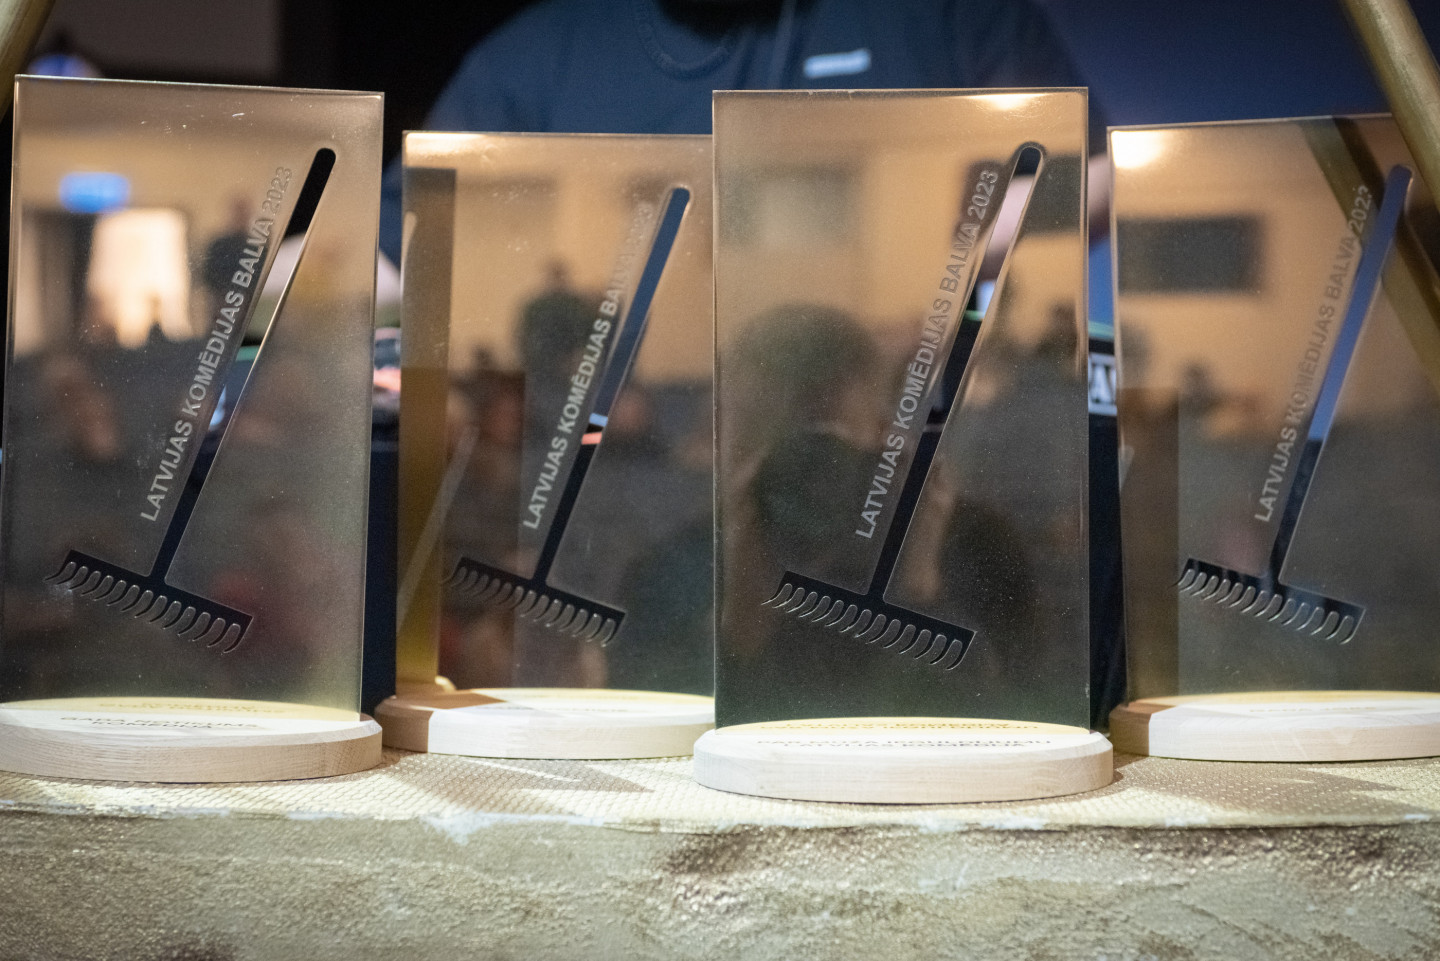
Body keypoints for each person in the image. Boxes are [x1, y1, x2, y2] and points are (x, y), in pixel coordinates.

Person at [379, 0, 1107, 265]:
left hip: (903, 445)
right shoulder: (537, 54)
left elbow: (1092, 176)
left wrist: (931, 265)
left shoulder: (939, 12)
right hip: (622, 466)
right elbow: (394, 248)